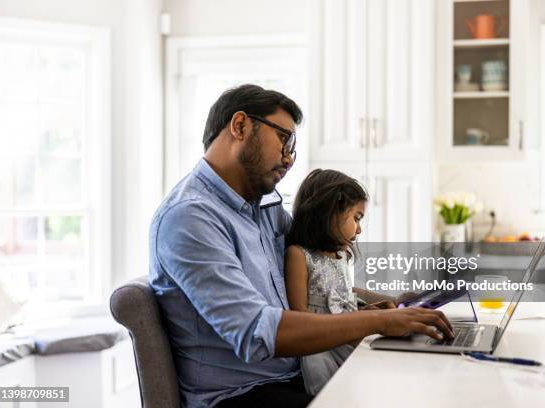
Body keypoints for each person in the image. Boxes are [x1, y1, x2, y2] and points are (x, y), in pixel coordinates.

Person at [149, 84, 454, 408]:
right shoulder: (189, 218)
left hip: (293, 375)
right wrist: (378, 322)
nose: (290, 158)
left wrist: (383, 304)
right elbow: (257, 333)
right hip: (243, 395)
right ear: (240, 126)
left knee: (423, 383)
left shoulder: (264, 212)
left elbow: (319, 275)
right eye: (285, 139)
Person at [285, 168, 386, 395]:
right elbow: (299, 314)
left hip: (348, 335)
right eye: (356, 218)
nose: (359, 229)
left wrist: (393, 301)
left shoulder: (339, 256)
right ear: (329, 212)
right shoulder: (299, 255)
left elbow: (344, 292)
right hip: (321, 346)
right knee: (336, 395)